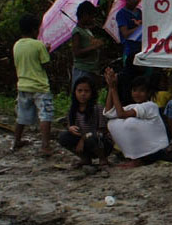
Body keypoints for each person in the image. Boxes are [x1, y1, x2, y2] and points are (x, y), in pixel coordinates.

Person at [103, 67, 168, 168]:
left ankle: (137, 159)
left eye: (141, 91)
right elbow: (108, 112)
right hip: (144, 152)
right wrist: (110, 88)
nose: (137, 93)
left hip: (154, 151)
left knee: (129, 122)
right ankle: (134, 157)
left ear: (149, 93)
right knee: (111, 123)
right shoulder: (131, 106)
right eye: (134, 90)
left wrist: (114, 88)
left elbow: (121, 114)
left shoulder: (150, 106)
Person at [12, 14, 54, 155]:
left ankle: (16, 140)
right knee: (45, 115)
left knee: (22, 116)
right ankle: (45, 145)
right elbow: (46, 64)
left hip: (23, 84)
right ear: (34, 30)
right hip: (39, 86)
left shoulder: (17, 45)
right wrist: (47, 51)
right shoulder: (38, 45)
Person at [58, 76, 112, 169]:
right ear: (75, 92)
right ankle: (85, 158)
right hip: (83, 142)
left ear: (92, 93)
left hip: (100, 143)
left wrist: (83, 139)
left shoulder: (98, 108)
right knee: (63, 136)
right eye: (80, 91)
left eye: (86, 91)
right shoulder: (73, 110)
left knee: (92, 136)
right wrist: (70, 129)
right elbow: (72, 127)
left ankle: (103, 159)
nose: (83, 94)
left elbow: (102, 130)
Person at [116, 0, 142, 105]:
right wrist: (140, 28)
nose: (136, 0)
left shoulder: (140, 12)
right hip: (130, 52)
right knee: (130, 81)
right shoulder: (121, 14)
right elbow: (125, 34)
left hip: (141, 51)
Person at [71, 1, 104, 89]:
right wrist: (94, 47)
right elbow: (77, 52)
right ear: (85, 15)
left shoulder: (86, 30)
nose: (92, 19)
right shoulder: (77, 32)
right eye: (91, 16)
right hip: (82, 70)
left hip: (91, 69)